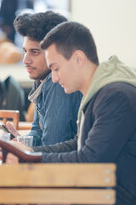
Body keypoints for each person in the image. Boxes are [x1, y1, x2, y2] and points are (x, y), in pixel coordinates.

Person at [5, 21, 136, 205]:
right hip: (122, 203)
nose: (53, 78)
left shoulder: (116, 97)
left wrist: (31, 160)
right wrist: (30, 153)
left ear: (79, 58)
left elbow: (91, 161)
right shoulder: (99, 95)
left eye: (56, 68)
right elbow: (78, 144)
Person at [8, 11, 82, 146]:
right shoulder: (42, 79)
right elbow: (37, 131)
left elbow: (52, 144)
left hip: (68, 166)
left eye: (34, 52)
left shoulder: (58, 83)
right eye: (25, 51)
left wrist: (24, 151)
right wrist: (22, 143)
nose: (26, 60)